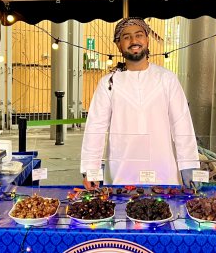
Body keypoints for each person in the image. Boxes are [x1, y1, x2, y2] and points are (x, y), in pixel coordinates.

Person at [80, 17, 201, 190]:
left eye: (139, 35)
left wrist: (189, 165)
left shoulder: (167, 79)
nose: (134, 41)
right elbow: (95, 128)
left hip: (163, 174)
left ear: (147, 40)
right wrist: (91, 169)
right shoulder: (108, 83)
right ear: (118, 45)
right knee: (121, 214)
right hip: (121, 174)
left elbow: (181, 124)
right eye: (126, 37)